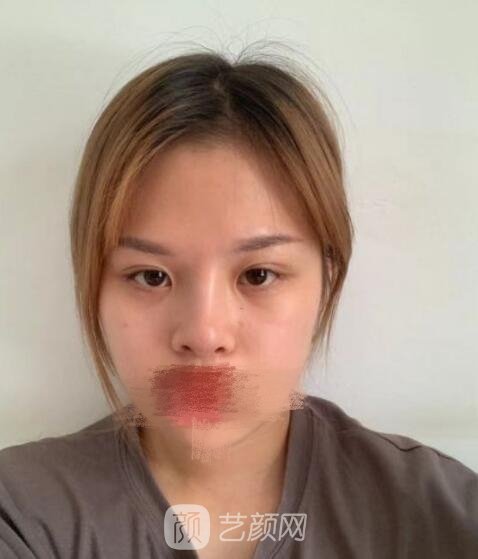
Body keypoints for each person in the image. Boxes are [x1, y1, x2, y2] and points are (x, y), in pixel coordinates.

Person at [0, 45, 477, 559]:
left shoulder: (434, 514)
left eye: (258, 275)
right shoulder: (24, 513)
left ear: (328, 278)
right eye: (151, 276)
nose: (204, 334)